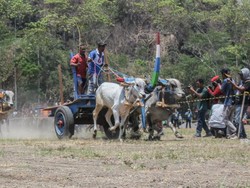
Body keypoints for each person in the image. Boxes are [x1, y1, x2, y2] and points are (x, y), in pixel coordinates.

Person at [227, 67, 250, 139]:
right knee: (237, 119)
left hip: (243, 102)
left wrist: (232, 83)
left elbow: (242, 89)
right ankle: (242, 134)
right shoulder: (242, 82)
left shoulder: (248, 82)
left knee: (238, 119)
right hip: (238, 102)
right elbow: (235, 88)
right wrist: (231, 82)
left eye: (241, 74)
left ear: (245, 74)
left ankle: (240, 134)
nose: (240, 76)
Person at [220, 68, 237, 139]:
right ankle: (229, 134)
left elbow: (222, 90)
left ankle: (235, 130)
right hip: (234, 102)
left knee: (224, 118)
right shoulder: (232, 80)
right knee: (230, 119)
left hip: (228, 102)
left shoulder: (225, 80)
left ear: (224, 74)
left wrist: (219, 85)